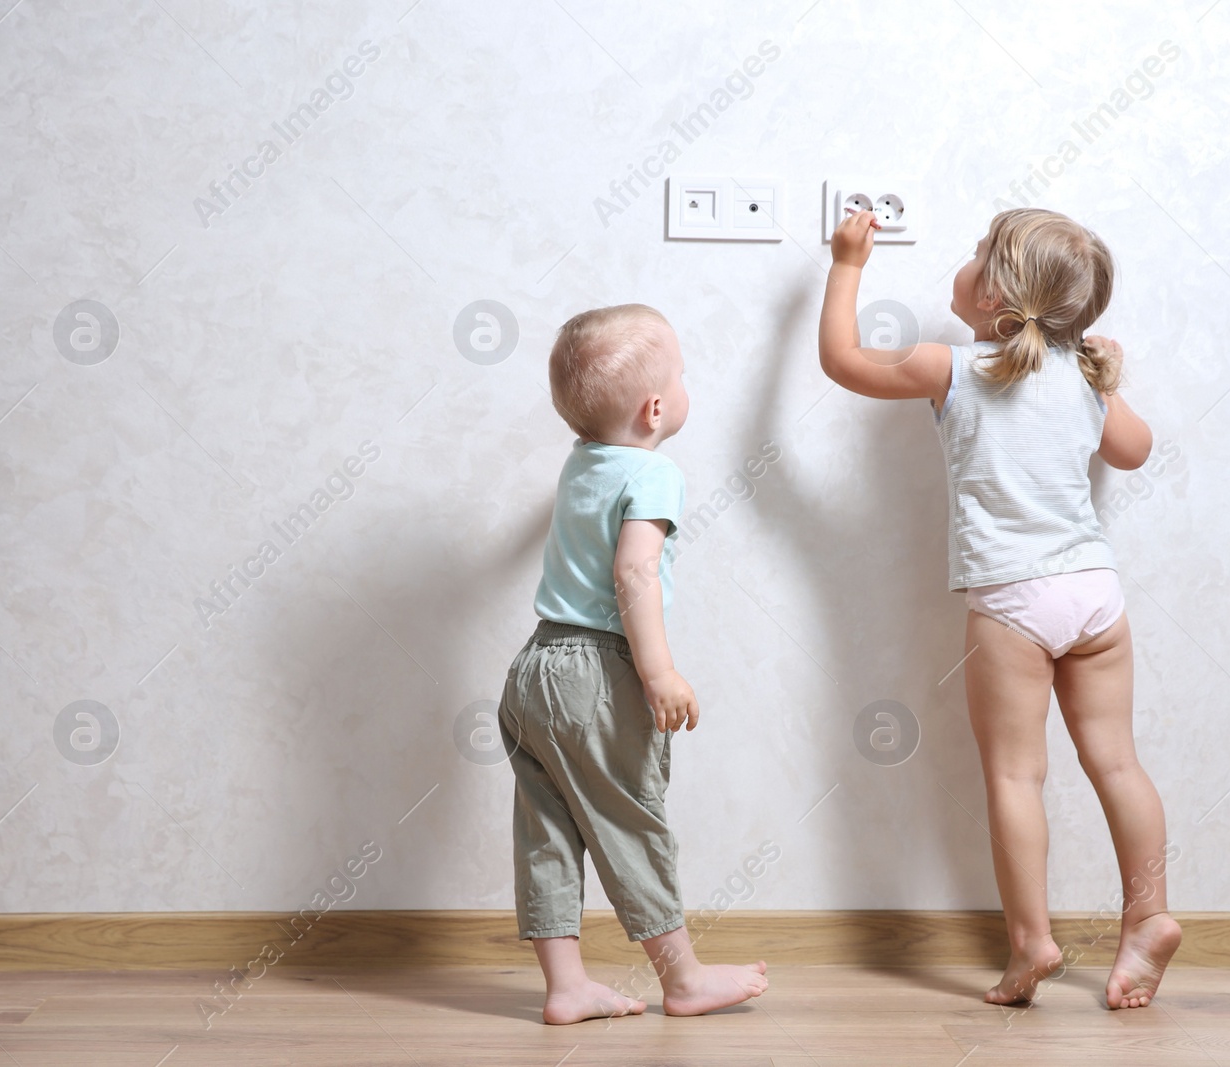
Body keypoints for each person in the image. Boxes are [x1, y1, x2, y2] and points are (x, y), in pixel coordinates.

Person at [817, 207, 1181, 1009]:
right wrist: (1110, 380)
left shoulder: (951, 367)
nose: (967, 257)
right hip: (1096, 593)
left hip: (1015, 599)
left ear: (993, 295)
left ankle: (1030, 944)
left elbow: (841, 360)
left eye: (979, 250)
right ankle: (1148, 915)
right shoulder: (1083, 377)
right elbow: (1135, 449)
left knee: (1015, 772)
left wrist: (847, 261)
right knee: (1118, 763)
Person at [497, 303, 769, 1024]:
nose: (684, 384)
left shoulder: (581, 462)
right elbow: (635, 575)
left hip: (534, 667)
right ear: (655, 408)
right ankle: (681, 976)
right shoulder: (654, 472)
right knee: (629, 819)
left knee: (546, 826)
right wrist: (658, 672)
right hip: (597, 671)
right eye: (679, 374)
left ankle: (566, 984)